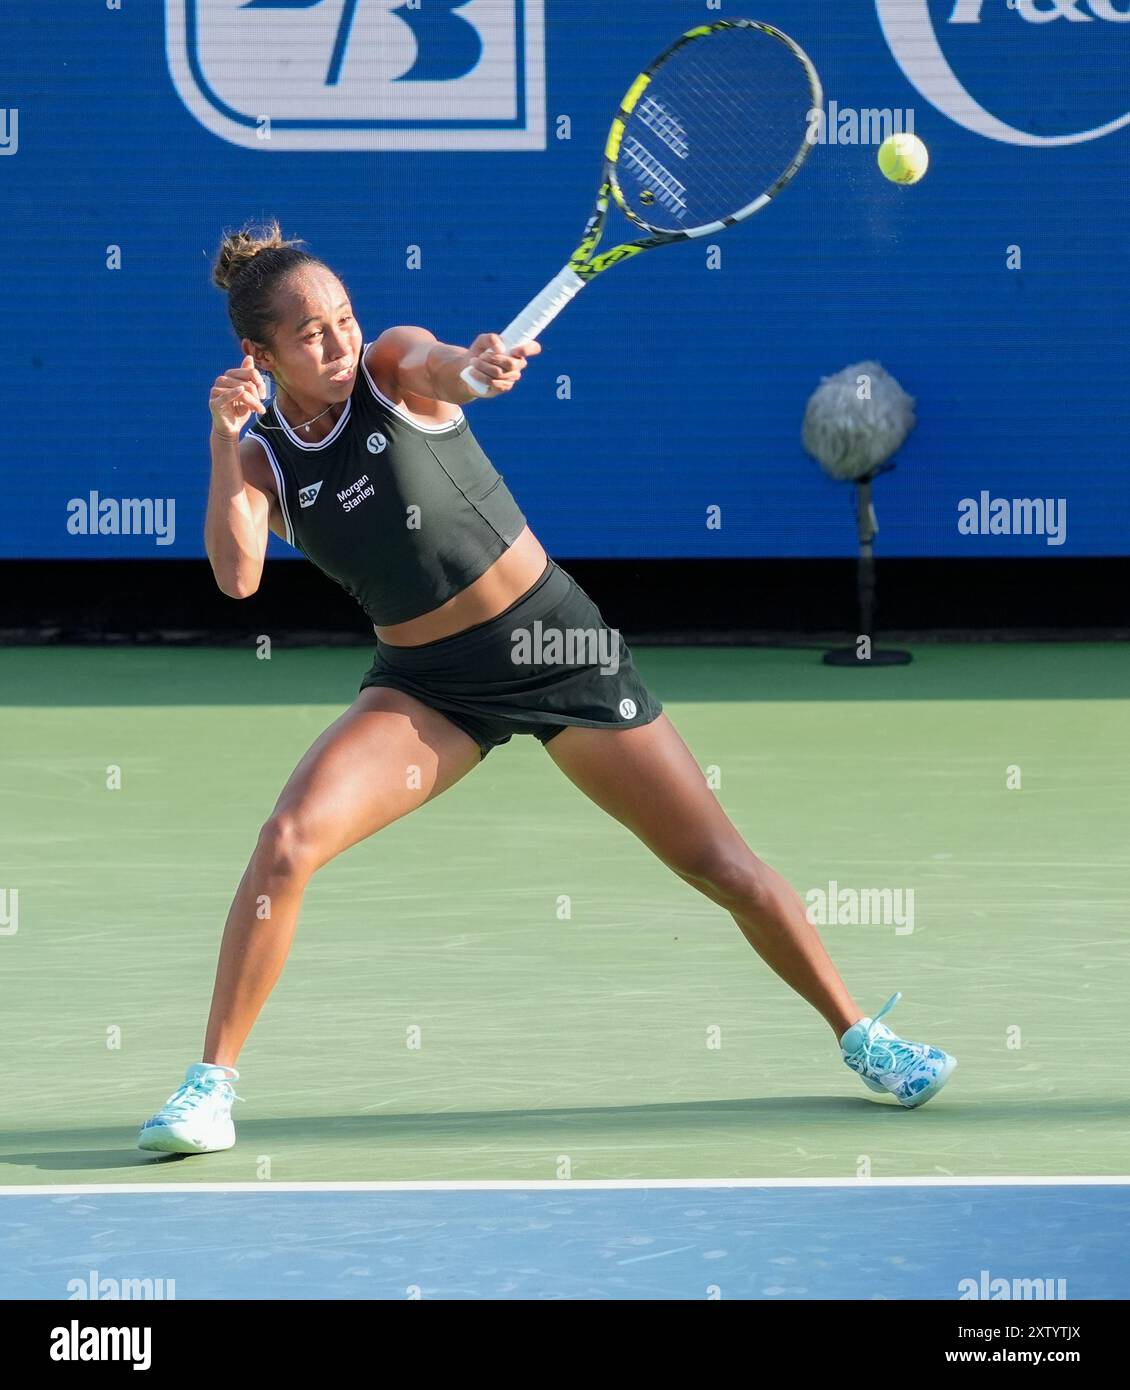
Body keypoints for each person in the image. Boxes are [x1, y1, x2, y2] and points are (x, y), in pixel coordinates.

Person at [138, 222, 955, 1154]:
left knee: (718, 865)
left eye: (344, 317)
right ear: (260, 354)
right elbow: (237, 577)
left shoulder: (393, 366)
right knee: (285, 842)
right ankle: (211, 1088)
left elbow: (452, 370)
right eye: (312, 334)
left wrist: (479, 367)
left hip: (555, 645)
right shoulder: (262, 457)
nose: (340, 341)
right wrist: (220, 439)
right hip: (428, 688)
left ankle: (863, 1036)